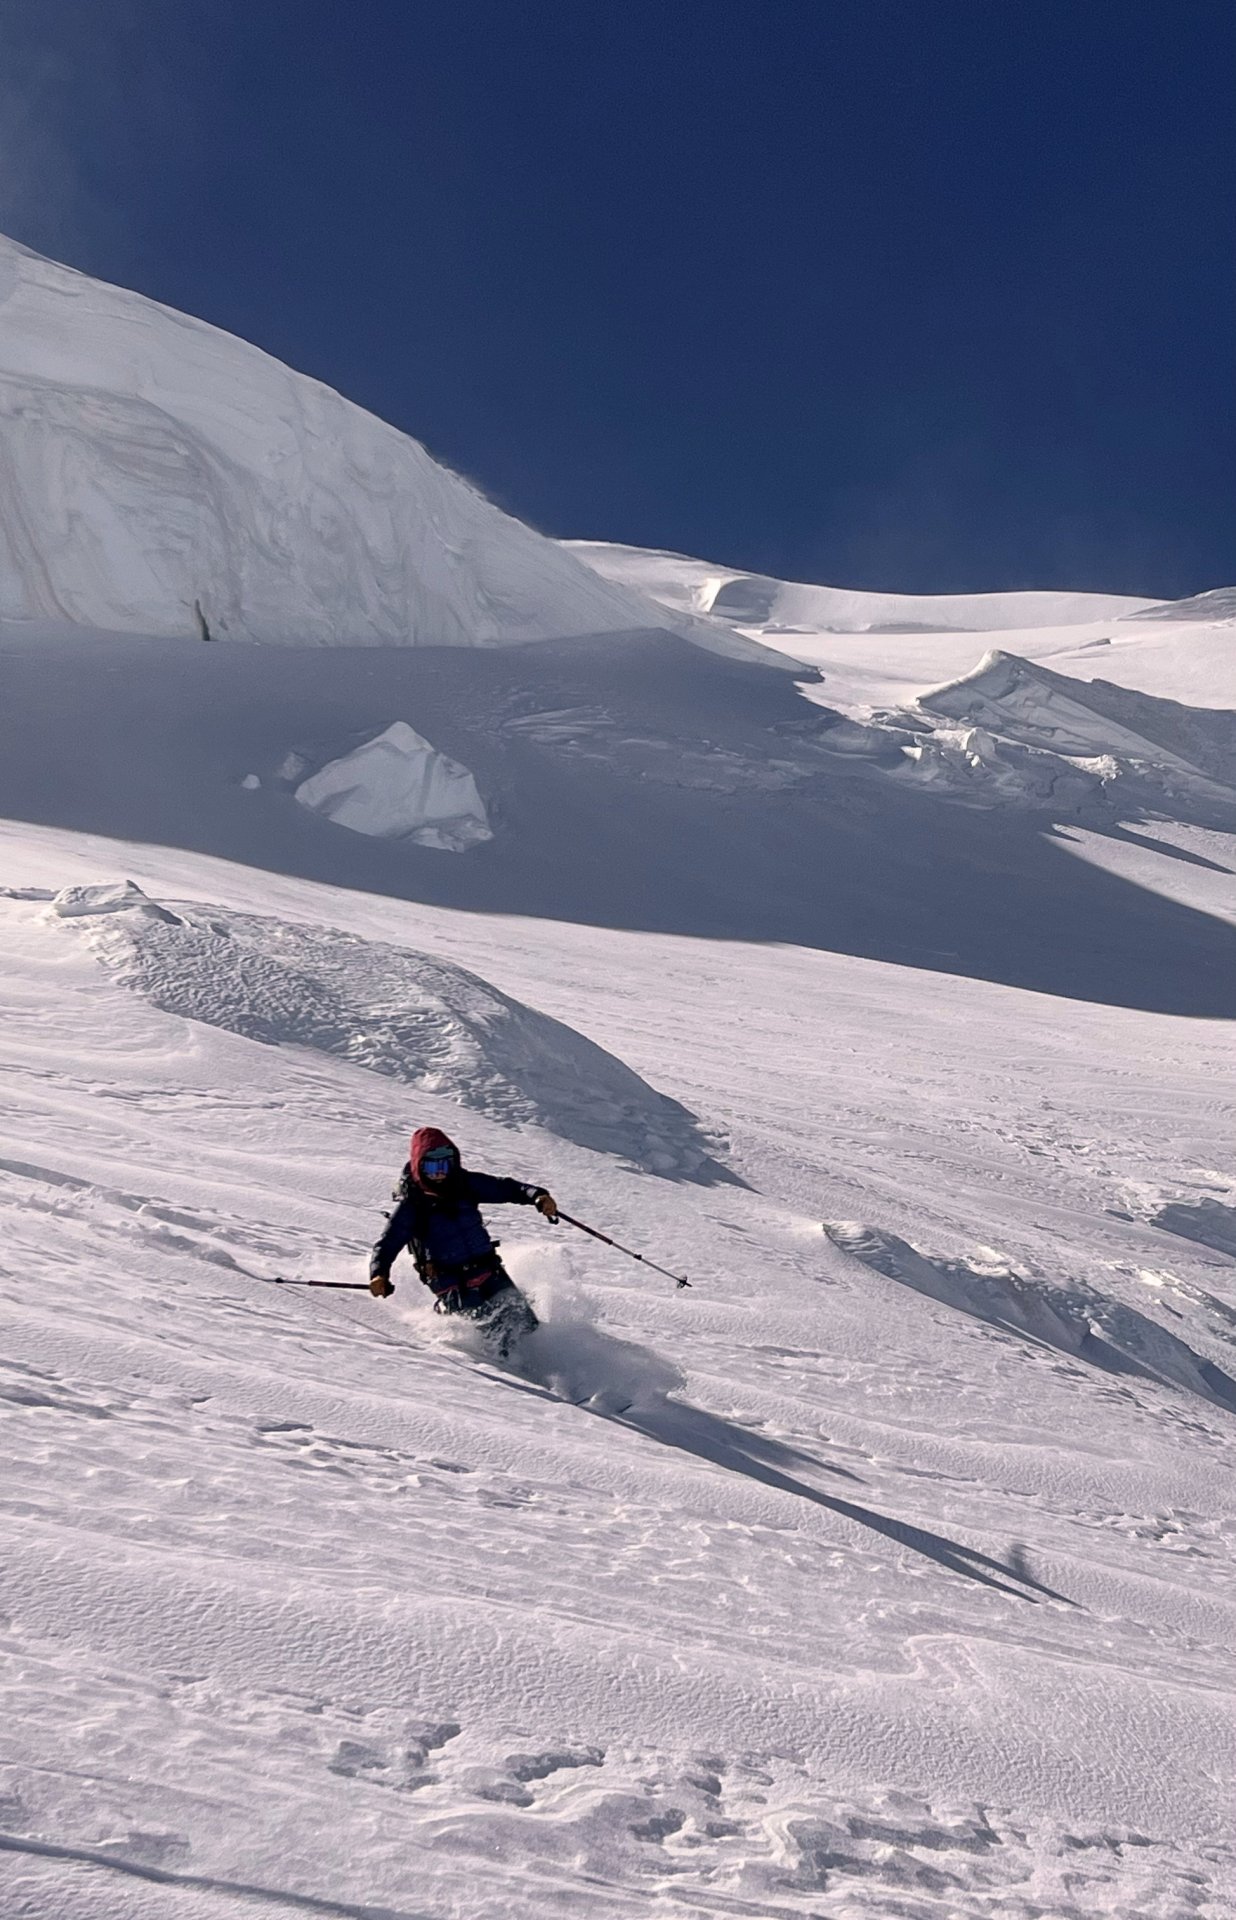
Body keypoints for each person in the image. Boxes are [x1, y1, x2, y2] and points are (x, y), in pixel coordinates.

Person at [368, 1127, 557, 1357]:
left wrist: (537, 1195)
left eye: (445, 1166)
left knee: (525, 1323)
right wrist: (379, 1274)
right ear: (419, 1166)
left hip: (488, 1269)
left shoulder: (464, 1184)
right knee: (490, 1334)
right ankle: (507, 1372)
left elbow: (506, 1188)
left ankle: (542, 1364)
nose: (439, 1174)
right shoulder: (412, 1205)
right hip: (451, 1281)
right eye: (432, 1168)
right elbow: (387, 1243)